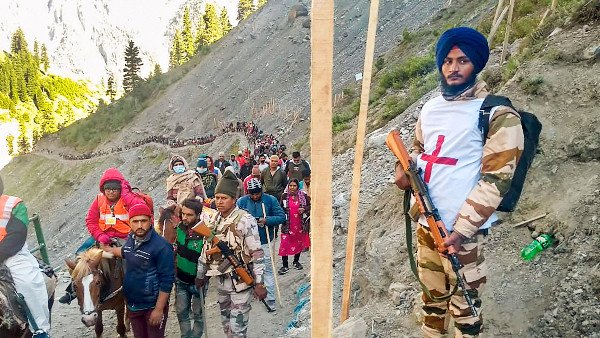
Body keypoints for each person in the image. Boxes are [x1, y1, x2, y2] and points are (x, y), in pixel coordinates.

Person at [394, 27, 524, 338]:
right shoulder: (430, 108)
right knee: (432, 299)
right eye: (448, 61)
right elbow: (419, 150)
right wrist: (403, 173)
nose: (454, 68)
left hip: (462, 233)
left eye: (463, 60)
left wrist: (461, 229)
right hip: (427, 223)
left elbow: (496, 179)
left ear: (476, 64)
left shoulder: (497, 113)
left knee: (465, 307)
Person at [196, 171, 267, 337]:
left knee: (238, 330)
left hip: (240, 282)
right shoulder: (213, 220)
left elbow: (256, 253)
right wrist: (201, 274)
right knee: (227, 327)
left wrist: (260, 283)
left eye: (224, 198)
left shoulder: (245, 220)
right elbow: (205, 249)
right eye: (217, 197)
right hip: (221, 281)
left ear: (234, 199)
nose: (219, 202)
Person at [60, 167, 145, 304]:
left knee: (131, 258)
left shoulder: (129, 199)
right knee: (80, 255)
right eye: (107, 188)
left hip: (125, 236)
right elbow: (91, 220)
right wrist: (99, 235)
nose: (111, 191)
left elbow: (141, 209)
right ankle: (73, 289)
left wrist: (127, 194)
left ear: (120, 188)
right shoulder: (99, 200)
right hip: (102, 236)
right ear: (103, 189)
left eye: (115, 188)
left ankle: (136, 289)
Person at [102, 203, 175, 338]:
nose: (139, 225)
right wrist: (108, 250)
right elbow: (125, 252)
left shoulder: (162, 246)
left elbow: (167, 281)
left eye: (143, 221)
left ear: (150, 221)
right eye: (135, 221)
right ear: (129, 222)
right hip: (134, 305)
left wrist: (159, 309)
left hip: (152, 306)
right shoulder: (131, 240)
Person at [0, 176, 51, 337]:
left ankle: (40, 329)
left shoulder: (13, 204)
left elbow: (17, 234)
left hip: (12, 255)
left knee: (29, 283)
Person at [237, 178, 286, 310]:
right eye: (252, 193)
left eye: (257, 193)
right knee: (249, 270)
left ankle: (270, 298)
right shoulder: (242, 202)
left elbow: (282, 216)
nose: (255, 196)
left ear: (261, 191)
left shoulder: (270, 200)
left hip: (265, 241)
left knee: (267, 270)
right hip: (246, 244)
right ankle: (254, 294)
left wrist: (267, 220)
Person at [174, 199, 206, 338]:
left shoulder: (205, 233)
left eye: (189, 215)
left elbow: (207, 259)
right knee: (182, 313)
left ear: (198, 215)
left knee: (199, 314)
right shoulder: (180, 228)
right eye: (183, 214)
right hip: (181, 280)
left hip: (198, 282)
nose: (185, 218)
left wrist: (202, 277)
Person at [277, 179, 311, 275]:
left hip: (299, 225)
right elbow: (280, 209)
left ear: (297, 187)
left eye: (294, 186)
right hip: (287, 226)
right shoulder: (284, 196)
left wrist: (304, 209)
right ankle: (285, 265)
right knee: (284, 244)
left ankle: (296, 261)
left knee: (298, 243)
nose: (292, 187)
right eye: (290, 185)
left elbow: (310, 206)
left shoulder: (303, 196)